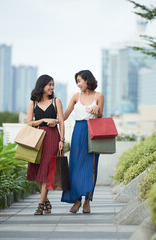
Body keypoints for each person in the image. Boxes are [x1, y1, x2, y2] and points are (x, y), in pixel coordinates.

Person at [61, 70, 104, 214]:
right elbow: (65, 115)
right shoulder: (75, 97)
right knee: (75, 167)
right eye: (77, 81)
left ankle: (87, 201)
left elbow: (101, 116)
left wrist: (98, 109)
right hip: (78, 131)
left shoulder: (99, 96)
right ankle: (77, 199)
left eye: (79, 81)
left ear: (87, 80)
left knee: (91, 167)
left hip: (93, 132)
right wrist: (53, 119)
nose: (78, 84)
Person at [26, 74, 64, 215]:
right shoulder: (33, 103)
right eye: (49, 84)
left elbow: (61, 121)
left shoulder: (56, 101)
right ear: (41, 86)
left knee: (47, 170)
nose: (52, 87)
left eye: (53, 84)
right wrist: (44, 119)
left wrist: (62, 140)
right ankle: (46, 201)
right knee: (37, 170)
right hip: (37, 139)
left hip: (53, 137)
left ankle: (41, 204)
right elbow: (29, 123)